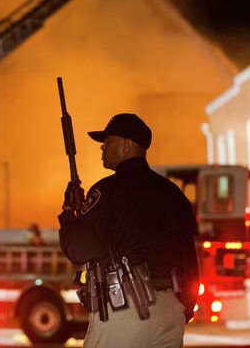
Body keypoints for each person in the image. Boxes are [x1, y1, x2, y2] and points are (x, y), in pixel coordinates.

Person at [58, 113, 200, 348]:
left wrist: (70, 214)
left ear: (126, 145)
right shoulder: (175, 195)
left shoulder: (107, 191)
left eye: (108, 141)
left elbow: (80, 249)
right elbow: (189, 261)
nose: (102, 147)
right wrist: (183, 309)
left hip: (126, 310)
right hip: (170, 313)